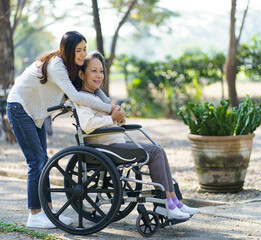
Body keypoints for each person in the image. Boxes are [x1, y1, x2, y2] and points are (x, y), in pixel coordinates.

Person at [6, 31, 124, 228]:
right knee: (36, 161)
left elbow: (94, 90)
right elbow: (75, 96)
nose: (82, 54)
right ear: (67, 50)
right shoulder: (57, 65)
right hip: (19, 107)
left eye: (84, 49)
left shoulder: (73, 66)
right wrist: (110, 110)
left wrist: (111, 104)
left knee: (42, 159)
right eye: (78, 50)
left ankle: (48, 211)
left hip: (35, 113)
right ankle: (35, 214)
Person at [75, 51, 199, 220]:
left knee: (158, 150)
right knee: (154, 152)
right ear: (82, 74)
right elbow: (87, 125)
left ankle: (173, 200)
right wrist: (112, 117)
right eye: (94, 71)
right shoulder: (83, 98)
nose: (99, 76)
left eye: (101, 71)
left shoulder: (98, 96)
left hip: (114, 143)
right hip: (104, 148)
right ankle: (164, 204)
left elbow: (114, 122)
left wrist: (119, 118)